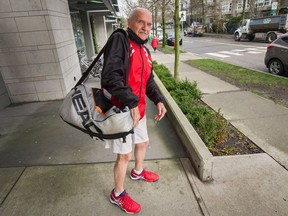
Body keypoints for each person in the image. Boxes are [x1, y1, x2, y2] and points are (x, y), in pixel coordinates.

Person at [101, 7, 167, 214]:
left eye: (149, 24)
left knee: (143, 142)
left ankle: (138, 172)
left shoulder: (145, 51)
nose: (145, 28)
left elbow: (149, 81)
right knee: (124, 156)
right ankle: (117, 194)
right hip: (122, 110)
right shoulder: (120, 40)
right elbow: (110, 77)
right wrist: (130, 103)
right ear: (130, 23)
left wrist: (159, 100)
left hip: (137, 110)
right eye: (141, 22)